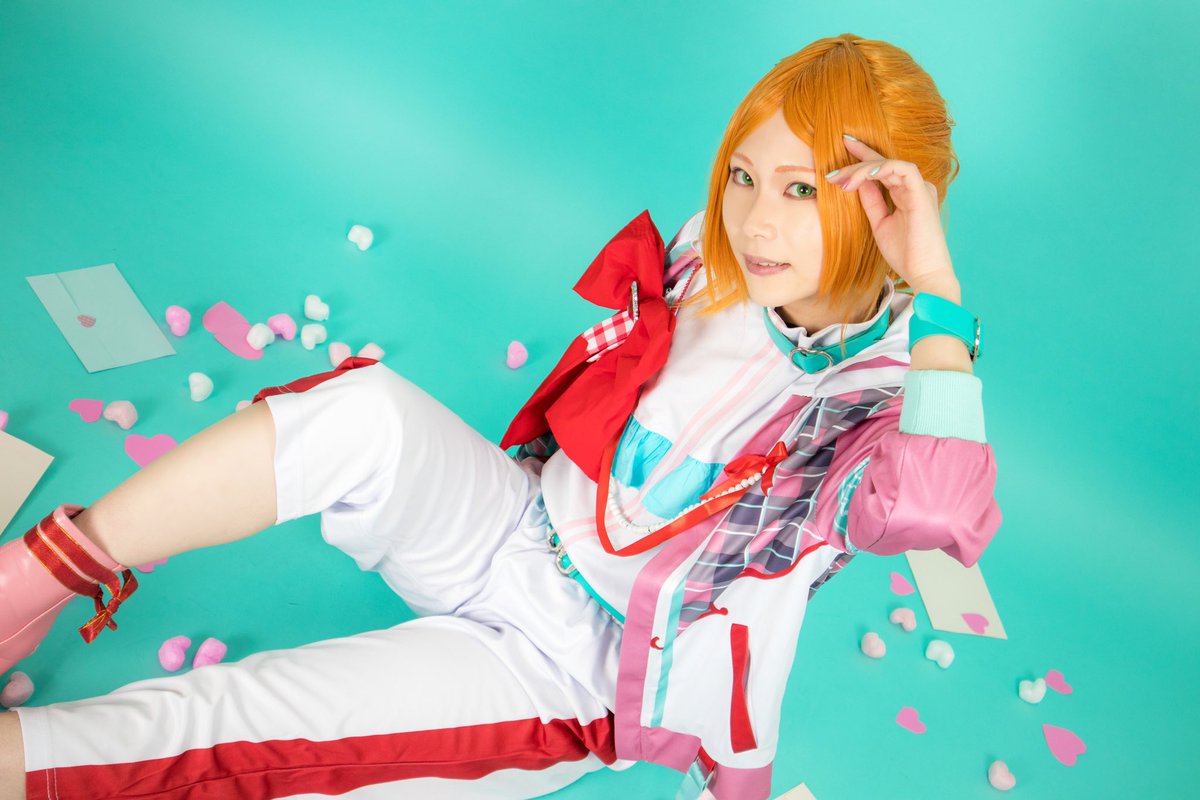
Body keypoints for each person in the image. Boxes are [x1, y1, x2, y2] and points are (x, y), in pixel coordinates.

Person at [0, 32, 1000, 800]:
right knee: (363, 410)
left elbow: (936, 512)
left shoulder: (893, 393)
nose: (757, 218)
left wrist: (938, 292)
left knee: (250, 717)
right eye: (746, 174)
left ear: (889, 208)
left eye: (803, 190)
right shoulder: (720, 255)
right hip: (513, 523)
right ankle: (32, 581)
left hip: (577, 666)